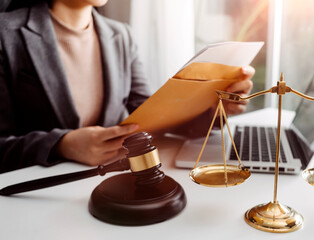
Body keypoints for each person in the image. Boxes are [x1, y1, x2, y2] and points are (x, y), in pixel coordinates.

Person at [0, 0, 254, 173]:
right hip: (35, 196)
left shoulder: (121, 35)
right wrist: (61, 144)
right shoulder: (6, 33)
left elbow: (154, 116)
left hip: (108, 183)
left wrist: (215, 108)